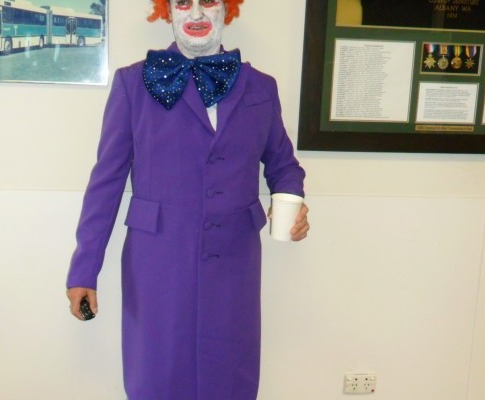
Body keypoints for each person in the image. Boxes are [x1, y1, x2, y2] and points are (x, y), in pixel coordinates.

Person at [66, 1, 309, 399]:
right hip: (157, 263)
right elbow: (106, 182)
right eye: (182, 2)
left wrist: (294, 203)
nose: (195, 14)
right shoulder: (133, 84)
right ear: (167, 11)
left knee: (229, 376)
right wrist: (84, 271)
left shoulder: (261, 87)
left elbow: (284, 165)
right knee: (157, 375)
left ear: (227, 9)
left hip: (235, 263)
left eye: (207, 1)